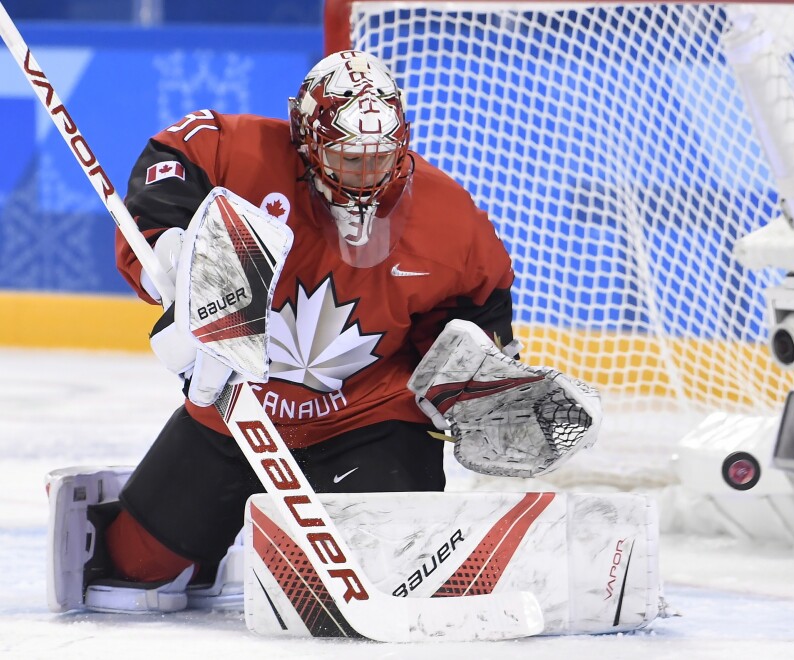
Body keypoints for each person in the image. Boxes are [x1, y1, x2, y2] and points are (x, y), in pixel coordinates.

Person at [79, 49, 516, 608]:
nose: (367, 176)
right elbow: (168, 161)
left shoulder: (447, 216)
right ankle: (215, 541)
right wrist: (172, 255)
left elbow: (479, 308)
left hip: (370, 419)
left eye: (380, 158)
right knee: (132, 566)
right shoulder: (240, 155)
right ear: (306, 141)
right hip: (239, 407)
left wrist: (468, 382)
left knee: (374, 584)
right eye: (347, 158)